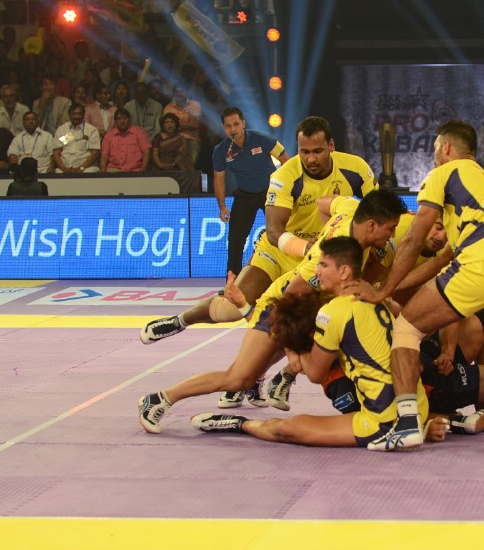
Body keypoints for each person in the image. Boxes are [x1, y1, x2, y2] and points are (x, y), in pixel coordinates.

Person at [139, 116, 377, 407]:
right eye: (304, 152)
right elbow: (276, 231)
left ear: (331, 146)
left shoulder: (356, 169)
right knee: (230, 310)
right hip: (282, 250)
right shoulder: (285, 176)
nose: (311, 159)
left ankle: (253, 376)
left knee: (290, 324)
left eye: (317, 151)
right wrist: (310, 249)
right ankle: (180, 321)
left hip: (318, 260)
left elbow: (374, 213)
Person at [350, 120, 484, 449]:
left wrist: (383, 291)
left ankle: (406, 426)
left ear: (446, 148)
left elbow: (414, 239)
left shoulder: (443, 174)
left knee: (406, 329)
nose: (434, 158)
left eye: (435, 151)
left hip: (481, 265)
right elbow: (441, 261)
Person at [138, 192, 407, 434]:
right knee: (238, 376)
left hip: (312, 308)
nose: (392, 235)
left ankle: (275, 376)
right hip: (284, 307)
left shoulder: (351, 208)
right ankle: (160, 398)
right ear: (371, 225)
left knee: (273, 364)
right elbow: (293, 297)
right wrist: (292, 347)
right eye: (390, 229)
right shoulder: (323, 261)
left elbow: (323, 202)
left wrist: (319, 233)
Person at [189, 236, 451, 447]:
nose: (317, 271)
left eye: (324, 265)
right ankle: (423, 424)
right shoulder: (375, 296)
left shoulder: (333, 312)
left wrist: (288, 347)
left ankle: (238, 424)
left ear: (344, 271)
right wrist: (248, 309)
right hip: (414, 405)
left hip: (382, 420)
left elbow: (314, 373)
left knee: (288, 428)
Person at [213, 107, 291, 277]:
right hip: (244, 195)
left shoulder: (262, 139)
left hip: (271, 194)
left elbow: (288, 162)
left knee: (283, 234)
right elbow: (218, 179)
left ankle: (290, 274)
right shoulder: (221, 151)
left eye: (236, 124)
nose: (233, 129)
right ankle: (232, 281)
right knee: (235, 240)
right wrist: (222, 207)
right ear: (224, 128)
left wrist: (288, 192)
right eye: (228, 126)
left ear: (243, 124)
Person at [52, 103, 102, 173]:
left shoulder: (91, 130)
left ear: (83, 115)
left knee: (91, 171)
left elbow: (95, 153)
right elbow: (56, 152)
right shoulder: (62, 129)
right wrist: (64, 169)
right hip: (65, 168)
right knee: (58, 172)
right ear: (69, 115)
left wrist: (81, 168)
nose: (76, 116)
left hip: (86, 168)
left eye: (79, 114)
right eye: (74, 114)